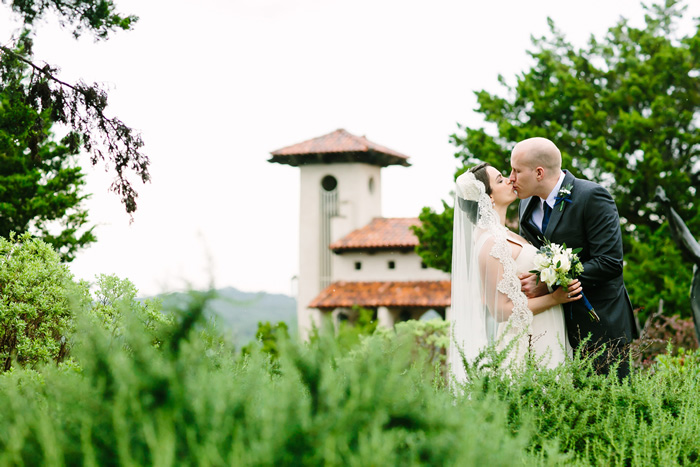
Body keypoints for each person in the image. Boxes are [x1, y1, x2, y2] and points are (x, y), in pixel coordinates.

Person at [509, 137, 638, 379]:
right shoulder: (525, 203)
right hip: (551, 325)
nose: (511, 178)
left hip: (599, 322)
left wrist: (548, 281)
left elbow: (610, 262)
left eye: (516, 170)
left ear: (539, 172)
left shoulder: (592, 197)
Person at [449, 162, 582, 382]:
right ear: (488, 197)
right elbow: (500, 311)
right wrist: (555, 298)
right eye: (500, 180)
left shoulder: (503, 234)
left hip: (543, 327)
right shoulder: (490, 242)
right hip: (528, 340)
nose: (510, 179)